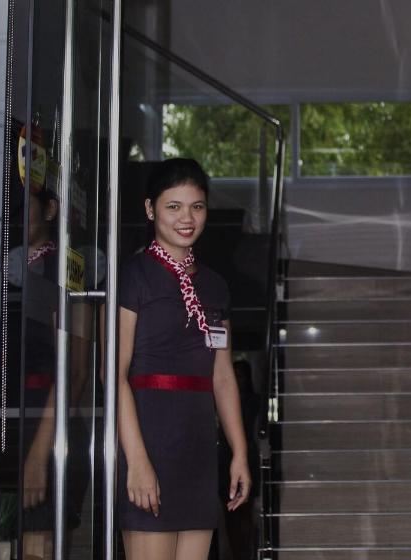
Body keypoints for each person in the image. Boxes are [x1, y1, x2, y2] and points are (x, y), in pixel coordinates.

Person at [117, 158, 251, 560]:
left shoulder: (215, 285)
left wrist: (239, 452)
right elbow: (114, 374)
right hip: (148, 442)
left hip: (198, 452)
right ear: (150, 209)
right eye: (173, 206)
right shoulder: (132, 276)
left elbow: (222, 376)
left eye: (197, 206)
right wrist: (137, 461)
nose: (186, 218)